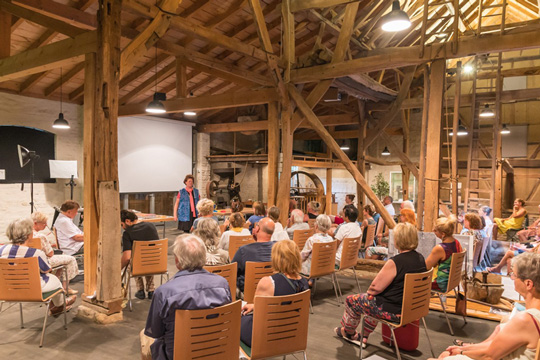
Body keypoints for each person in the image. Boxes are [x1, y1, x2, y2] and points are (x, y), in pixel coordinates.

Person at [430, 252, 540, 360]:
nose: (512, 278)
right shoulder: (531, 314)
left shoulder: (525, 320)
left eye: (514, 275)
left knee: (442, 356)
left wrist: (461, 351)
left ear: (528, 284)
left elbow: (489, 356)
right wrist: (466, 349)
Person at [333, 222, 427, 348]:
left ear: (399, 239)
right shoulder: (420, 259)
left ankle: (349, 333)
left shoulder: (396, 262)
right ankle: (364, 336)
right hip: (413, 309)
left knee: (353, 300)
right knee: (372, 299)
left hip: (393, 311)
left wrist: (370, 295)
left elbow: (374, 288)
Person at [141, 234, 231, 360]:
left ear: (177, 261)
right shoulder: (223, 285)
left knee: (144, 336)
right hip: (215, 350)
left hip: (176, 355)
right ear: (204, 257)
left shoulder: (164, 293)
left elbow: (156, 331)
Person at [240, 240, 309, 347]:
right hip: (291, 335)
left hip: (264, 338)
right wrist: (254, 306)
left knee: (233, 321)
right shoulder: (305, 283)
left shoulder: (268, 282)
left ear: (276, 258)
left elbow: (259, 316)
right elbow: (285, 307)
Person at [1, 218, 77, 315]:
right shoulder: (36, 253)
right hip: (33, 290)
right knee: (53, 279)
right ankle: (61, 304)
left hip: (7, 290)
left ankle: (56, 305)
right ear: (29, 235)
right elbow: (47, 270)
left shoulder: (1, 250)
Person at [32, 212, 79, 295]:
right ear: (35, 223)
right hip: (43, 263)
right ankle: (65, 288)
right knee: (70, 259)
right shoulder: (40, 236)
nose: (46, 225)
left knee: (62, 259)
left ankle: (58, 285)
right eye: (44, 223)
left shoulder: (25, 234)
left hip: (32, 262)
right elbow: (50, 254)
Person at [120, 210, 160, 300]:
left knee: (133, 262)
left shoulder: (127, 233)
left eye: (122, 224)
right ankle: (151, 290)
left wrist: (118, 269)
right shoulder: (151, 226)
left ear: (127, 221)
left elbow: (126, 258)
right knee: (148, 259)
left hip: (139, 266)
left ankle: (140, 290)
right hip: (156, 263)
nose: (122, 228)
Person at [232, 217, 275, 293]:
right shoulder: (279, 248)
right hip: (272, 292)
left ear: (257, 229)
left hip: (248, 293)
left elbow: (231, 272)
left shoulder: (243, 251)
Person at [426, 215, 463, 292]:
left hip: (440, 283)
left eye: (435, 230)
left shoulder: (440, 248)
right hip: (452, 282)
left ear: (443, 234)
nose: (433, 230)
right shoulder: (457, 243)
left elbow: (425, 267)